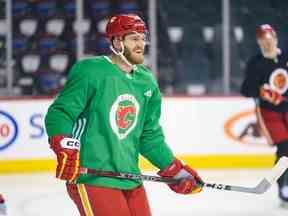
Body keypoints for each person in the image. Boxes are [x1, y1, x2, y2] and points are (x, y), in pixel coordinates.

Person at [45, 13, 203, 216]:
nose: (141, 44)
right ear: (117, 41)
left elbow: (149, 136)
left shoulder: (146, 81)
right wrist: (63, 145)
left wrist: (172, 167)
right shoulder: (90, 71)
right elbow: (60, 113)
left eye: (142, 38)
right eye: (134, 38)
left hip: (130, 178)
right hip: (93, 177)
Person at [240, 24, 288, 208]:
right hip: (268, 112)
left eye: (270, 40)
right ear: (259, 43)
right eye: (263, 41)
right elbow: (246, 90)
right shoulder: (255, 63)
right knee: (284, 147)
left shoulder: (285, 58)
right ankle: (283, 186)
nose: (267, 44)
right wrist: (260, 90)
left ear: (275, 38)